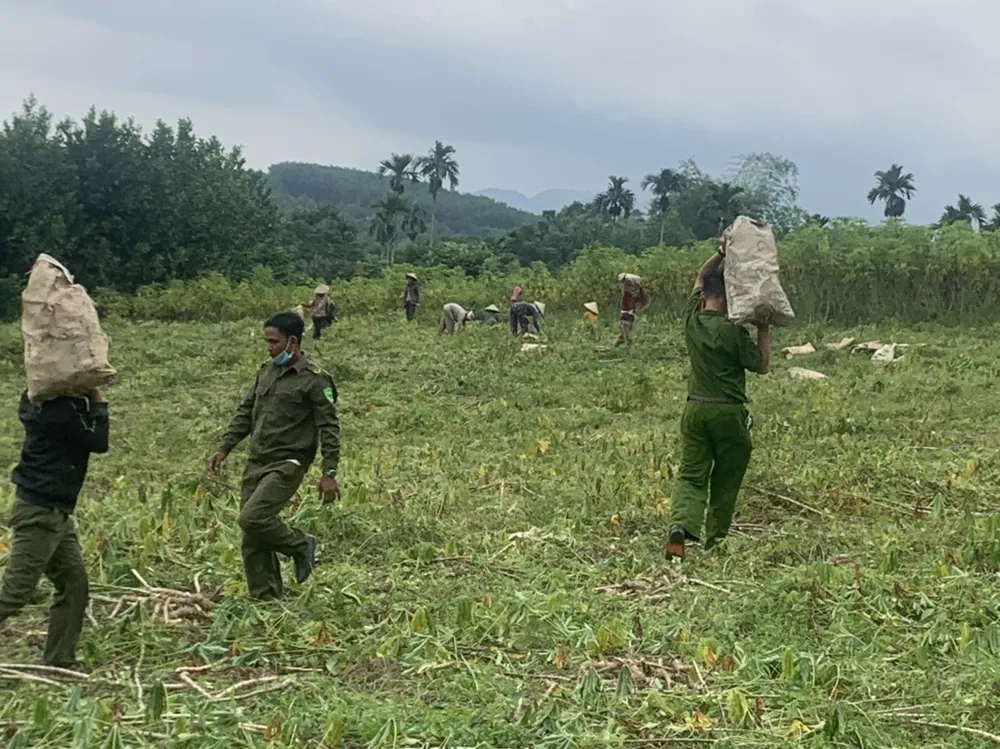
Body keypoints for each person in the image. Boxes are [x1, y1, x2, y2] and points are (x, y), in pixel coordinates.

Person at [208, 312, 340, 600]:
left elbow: (329, 427)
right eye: (266, 341)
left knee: (252, 518)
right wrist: (224, 447)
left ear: (292, 341)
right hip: (257, 460)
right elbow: (245, 412)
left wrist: (329, 473)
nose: (269, 348)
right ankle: (265, 599)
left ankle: (301, 545)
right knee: (252, 538)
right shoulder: (266, 371)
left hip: (288, 463)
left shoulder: (316, 380)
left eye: (273, 342)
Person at [666, 250, 770, 559]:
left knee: (690, 473)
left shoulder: (692, 321)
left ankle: (680, 526)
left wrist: (720, 253)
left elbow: (700, 276)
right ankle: (715, 543)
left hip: (695, 409)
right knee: (725, 479)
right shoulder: (733, 333)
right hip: (728, 413)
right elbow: (762, 366)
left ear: (705, 298)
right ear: (729, 299)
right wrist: (764, 328)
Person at [0, 389, 109, 667]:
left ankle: (60, 660)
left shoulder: (36, 399)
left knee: (74, 586)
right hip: (41, 514)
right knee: (14, 594)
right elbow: (98, 441)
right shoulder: (60, 411)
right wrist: (96, 400)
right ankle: (59, 659)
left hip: (55, 512)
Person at [614, 273, 649, 347]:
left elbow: (629, 306)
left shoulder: (631, 294)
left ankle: (627, 343)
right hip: (628, 313)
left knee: (625, 328)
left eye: (628, 285)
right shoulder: (631, 294)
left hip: (627, 313)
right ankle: (621, 340)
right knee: (624, 329)